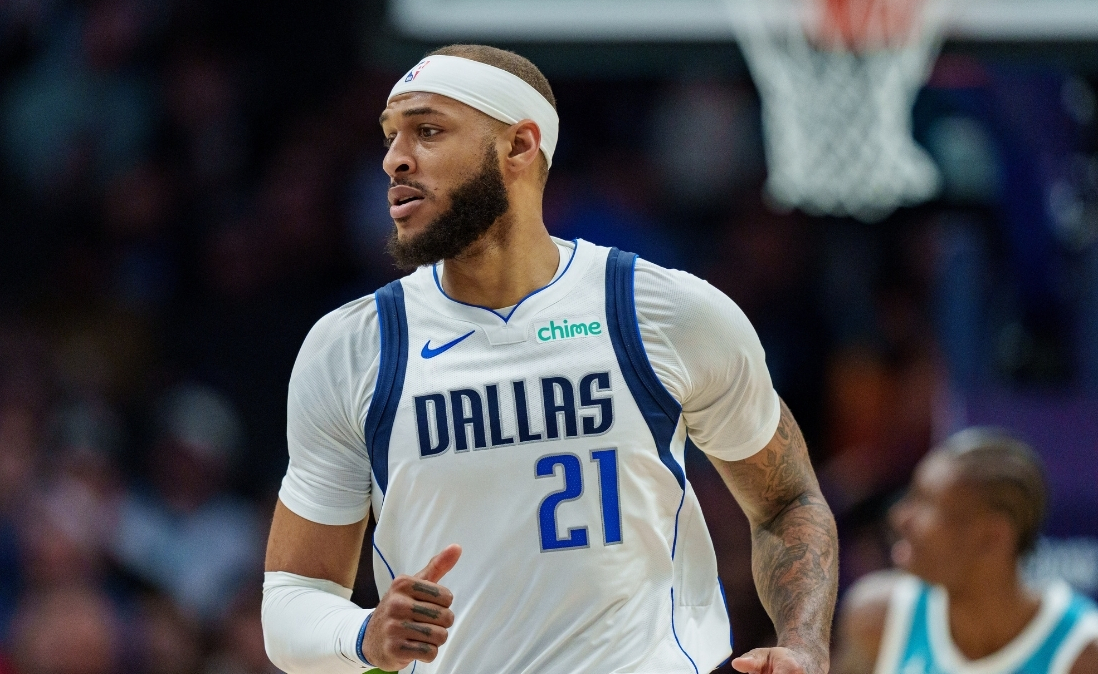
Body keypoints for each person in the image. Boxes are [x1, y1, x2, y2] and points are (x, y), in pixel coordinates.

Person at [260, 44, 838, 674]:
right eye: (390, 135)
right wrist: (363, 631)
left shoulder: (663, 313)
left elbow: (788, 500)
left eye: (427, 131)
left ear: (519, 145)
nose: (395, 158)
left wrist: (804, 645)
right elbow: (291, 599)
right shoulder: (353, 347)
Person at [834, 428, 1098, 674]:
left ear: (993, 536)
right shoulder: (875, 619)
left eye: (927, 503)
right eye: (910, 496)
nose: (900, 518)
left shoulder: (1084, 652)